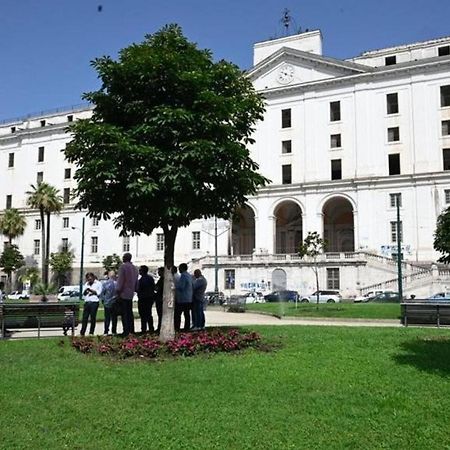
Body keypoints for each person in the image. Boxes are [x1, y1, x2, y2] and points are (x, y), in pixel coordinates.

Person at [116, 252, 138, 336]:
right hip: (131, 293)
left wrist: (118, 290)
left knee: (124, 313)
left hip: (123, 293)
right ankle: (131, 329)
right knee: (130, 312)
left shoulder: (123, 267)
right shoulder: (135, 268)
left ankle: (126, 330)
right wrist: (135, 289)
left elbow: (121, 280)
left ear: (125, 258)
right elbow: (136, 281)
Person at [174, 263, 193, 332]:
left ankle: (177, 327)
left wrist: (175, 287)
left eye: (179, 268)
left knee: (178, 314)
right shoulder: (189, 275)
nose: (179, 270)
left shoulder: (183, 276)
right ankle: (187, 327)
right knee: (187, 314)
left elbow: (181, 286)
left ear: (182, 268)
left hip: (183, 298)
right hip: (188, 298)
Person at [137, 265, 155, 333]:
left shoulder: (141, 280)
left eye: (140, 270)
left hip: (143, 298)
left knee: (143, 315)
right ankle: (151, 328)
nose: (139, 271)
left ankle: (144, 328)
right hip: (150, 298)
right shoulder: (150, 278)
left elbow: (139, 289)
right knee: (149, 314)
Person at [101, 270, 118, 335]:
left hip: (107, 302)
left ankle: (106, 331)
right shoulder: (117, 283)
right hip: (115, 302)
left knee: (107, 318)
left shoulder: (105, 283)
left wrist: (103, 300)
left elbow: (102, 293)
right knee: (114, 318)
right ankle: (114, 331)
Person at [154, 267, 164, 333]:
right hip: (161, 298)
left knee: (160, 314)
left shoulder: (162, 280)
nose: (158, 273)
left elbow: (157, 288)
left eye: (159, 271)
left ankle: (160, 328)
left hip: (160, 299)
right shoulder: (162, 279)